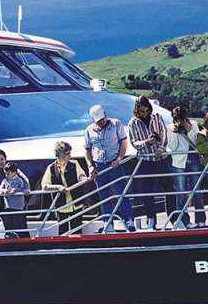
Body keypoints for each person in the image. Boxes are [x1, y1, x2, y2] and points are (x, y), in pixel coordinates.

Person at [84, 104, 135, 233]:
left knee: (121, 193)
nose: (101, 123)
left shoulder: (116, 124)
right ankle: (107, 222)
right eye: (98, 121)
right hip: (99, 166)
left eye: (102, 119)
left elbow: (124, 142)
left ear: (105, 114)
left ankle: (129, 220)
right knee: (104, 196)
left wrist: (119, 159)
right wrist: (90, 166)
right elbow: (88, 149)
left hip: (114, 164)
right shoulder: (89, 130)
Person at [128, 96, 177, 230]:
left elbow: (164, 134)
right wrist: (146, 142)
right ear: (137, 111)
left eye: (146, 111)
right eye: (142, 112)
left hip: (161, 159)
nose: (144, 114)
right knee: (148, 193)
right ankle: (151, 220)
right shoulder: (133, 123)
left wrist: (161, 148)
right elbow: (134, 142)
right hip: (145, 162)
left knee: (169, 189)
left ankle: (174, 219)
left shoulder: (157, 117)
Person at [167, 105, 206, 228]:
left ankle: (200, 219)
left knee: (197, 191)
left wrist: (189, 130)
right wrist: (174, 132)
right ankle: (184, 221)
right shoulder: (169, 128)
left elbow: (196, 143)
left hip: (193, 159)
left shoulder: (193, 124)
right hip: (179, 162)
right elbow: (172, 147)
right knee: (181, 192)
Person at [41, 141, 90, 235]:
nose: (70, 155)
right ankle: (64, 248)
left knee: (77, 231)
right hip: (61, 206)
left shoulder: (74, 164)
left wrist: (83, 178)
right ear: (60, 154)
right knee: (63, 232)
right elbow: (45, 186)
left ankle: (76, 248)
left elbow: (81, 175)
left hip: (76, 205)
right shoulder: (50, 168)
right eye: (67, 153)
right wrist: (58, 187)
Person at [0, 149, 30, 232]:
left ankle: (24, 241)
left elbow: (25, 179)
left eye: (2, 159)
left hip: (17, 203)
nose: (0, 162)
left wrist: (27, 189)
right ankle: (10, 240)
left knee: (21, 224)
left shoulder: (13, 169)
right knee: (8, 224)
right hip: (4, 203)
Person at [0, 162, 29, 238]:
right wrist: (5, 191)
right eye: (5, 173)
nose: (6, 175)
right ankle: (9, 234)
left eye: (8, 173)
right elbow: (0, 189)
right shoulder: (5, 181)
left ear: (14, 172)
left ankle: (18, 235)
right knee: (8, 221)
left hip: (18, 207)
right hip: (8, 206)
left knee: (17, 221)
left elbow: (23, 189)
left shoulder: (19, 180)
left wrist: (15, 190)